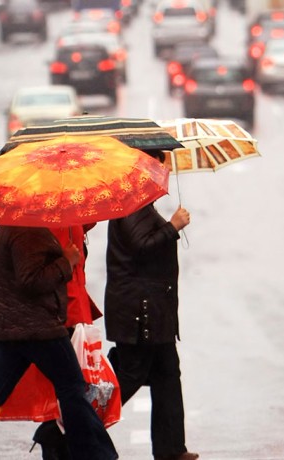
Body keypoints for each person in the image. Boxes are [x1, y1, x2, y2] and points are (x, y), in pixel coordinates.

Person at [0, 225, 118, 460]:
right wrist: (66, 262)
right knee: (72, 388)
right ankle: (95, 455)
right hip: (38, 329)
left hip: (14, 329)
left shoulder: (14, 225)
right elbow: (30, 280)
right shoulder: (28, 230)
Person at [104, 149, 198, 460]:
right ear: (146, 168)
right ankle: (67, 430)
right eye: (162, 165)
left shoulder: (142, 203)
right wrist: (173, 227)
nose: (167, 172)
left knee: (168, 376)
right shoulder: (131, 203)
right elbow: (141, 247)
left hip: (153, 313)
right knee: (128, 378)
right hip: (138, 313)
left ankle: (171, 450)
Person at [32, 223, 104, 460]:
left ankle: (57, 439)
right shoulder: (54, 222)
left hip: (74, 309)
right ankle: (54, 436)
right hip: (65, 313)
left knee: (71, 388)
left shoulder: (70, 219)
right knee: (73, 388)